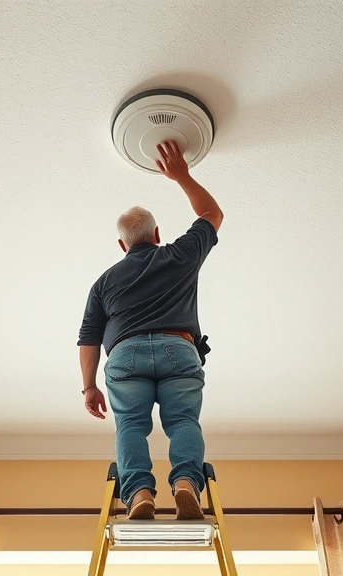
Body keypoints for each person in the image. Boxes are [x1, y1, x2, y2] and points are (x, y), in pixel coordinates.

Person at [76, 140, 224, 521]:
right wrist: (181, 175)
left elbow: (89, 338)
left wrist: (89, 386)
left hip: (125, 356)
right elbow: (212, 213)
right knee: (183, 423)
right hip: (179, 348)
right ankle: (186, 484)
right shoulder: (179, 254)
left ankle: (140, 492)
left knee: (130, 425)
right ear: (157, 234)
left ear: (122, 244)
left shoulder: (104, 282)